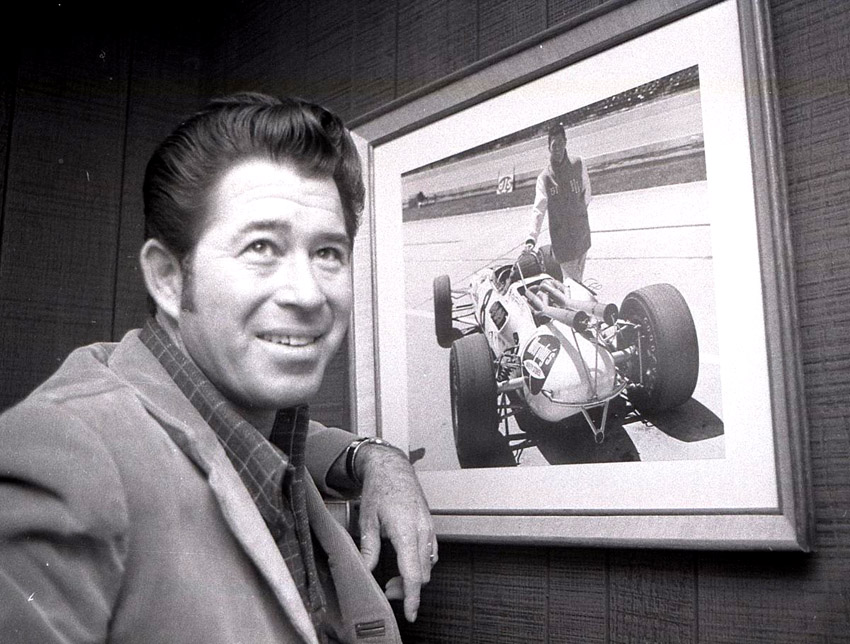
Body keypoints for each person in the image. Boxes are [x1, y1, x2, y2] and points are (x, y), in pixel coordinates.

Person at [0, 92, 436, 643]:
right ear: (168, 279)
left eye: (328, 252)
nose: (307, 294)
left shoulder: (257, 422)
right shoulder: (64, 453)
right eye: (261, 247)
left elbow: (265, 442)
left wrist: (377, 459)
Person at [525, 122, 592, 283]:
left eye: (561, 143)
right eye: (554, 145)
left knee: (578, 282)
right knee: (573, 286)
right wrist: (532, 237)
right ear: (549, 147)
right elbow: (539, 209)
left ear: (566, 142)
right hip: (563, 243)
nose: (558, 148)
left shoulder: (579, 163)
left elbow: (587, 193)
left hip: (582, 236)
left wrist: (578, 215)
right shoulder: (544, 178)